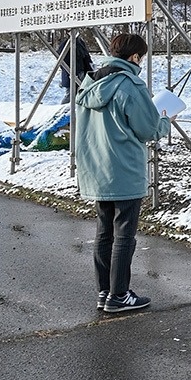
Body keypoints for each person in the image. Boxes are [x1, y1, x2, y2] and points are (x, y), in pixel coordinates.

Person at [75, 33, 171, 315]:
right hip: (124, 169)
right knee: (124, 236)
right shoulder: (130, 85)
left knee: (104, 233)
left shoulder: (90, 83)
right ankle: (119, 295)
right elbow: (148, 129)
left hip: (96, 169)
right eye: (141, 57)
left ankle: (104, 292)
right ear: (135, 57)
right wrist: (165, 120)